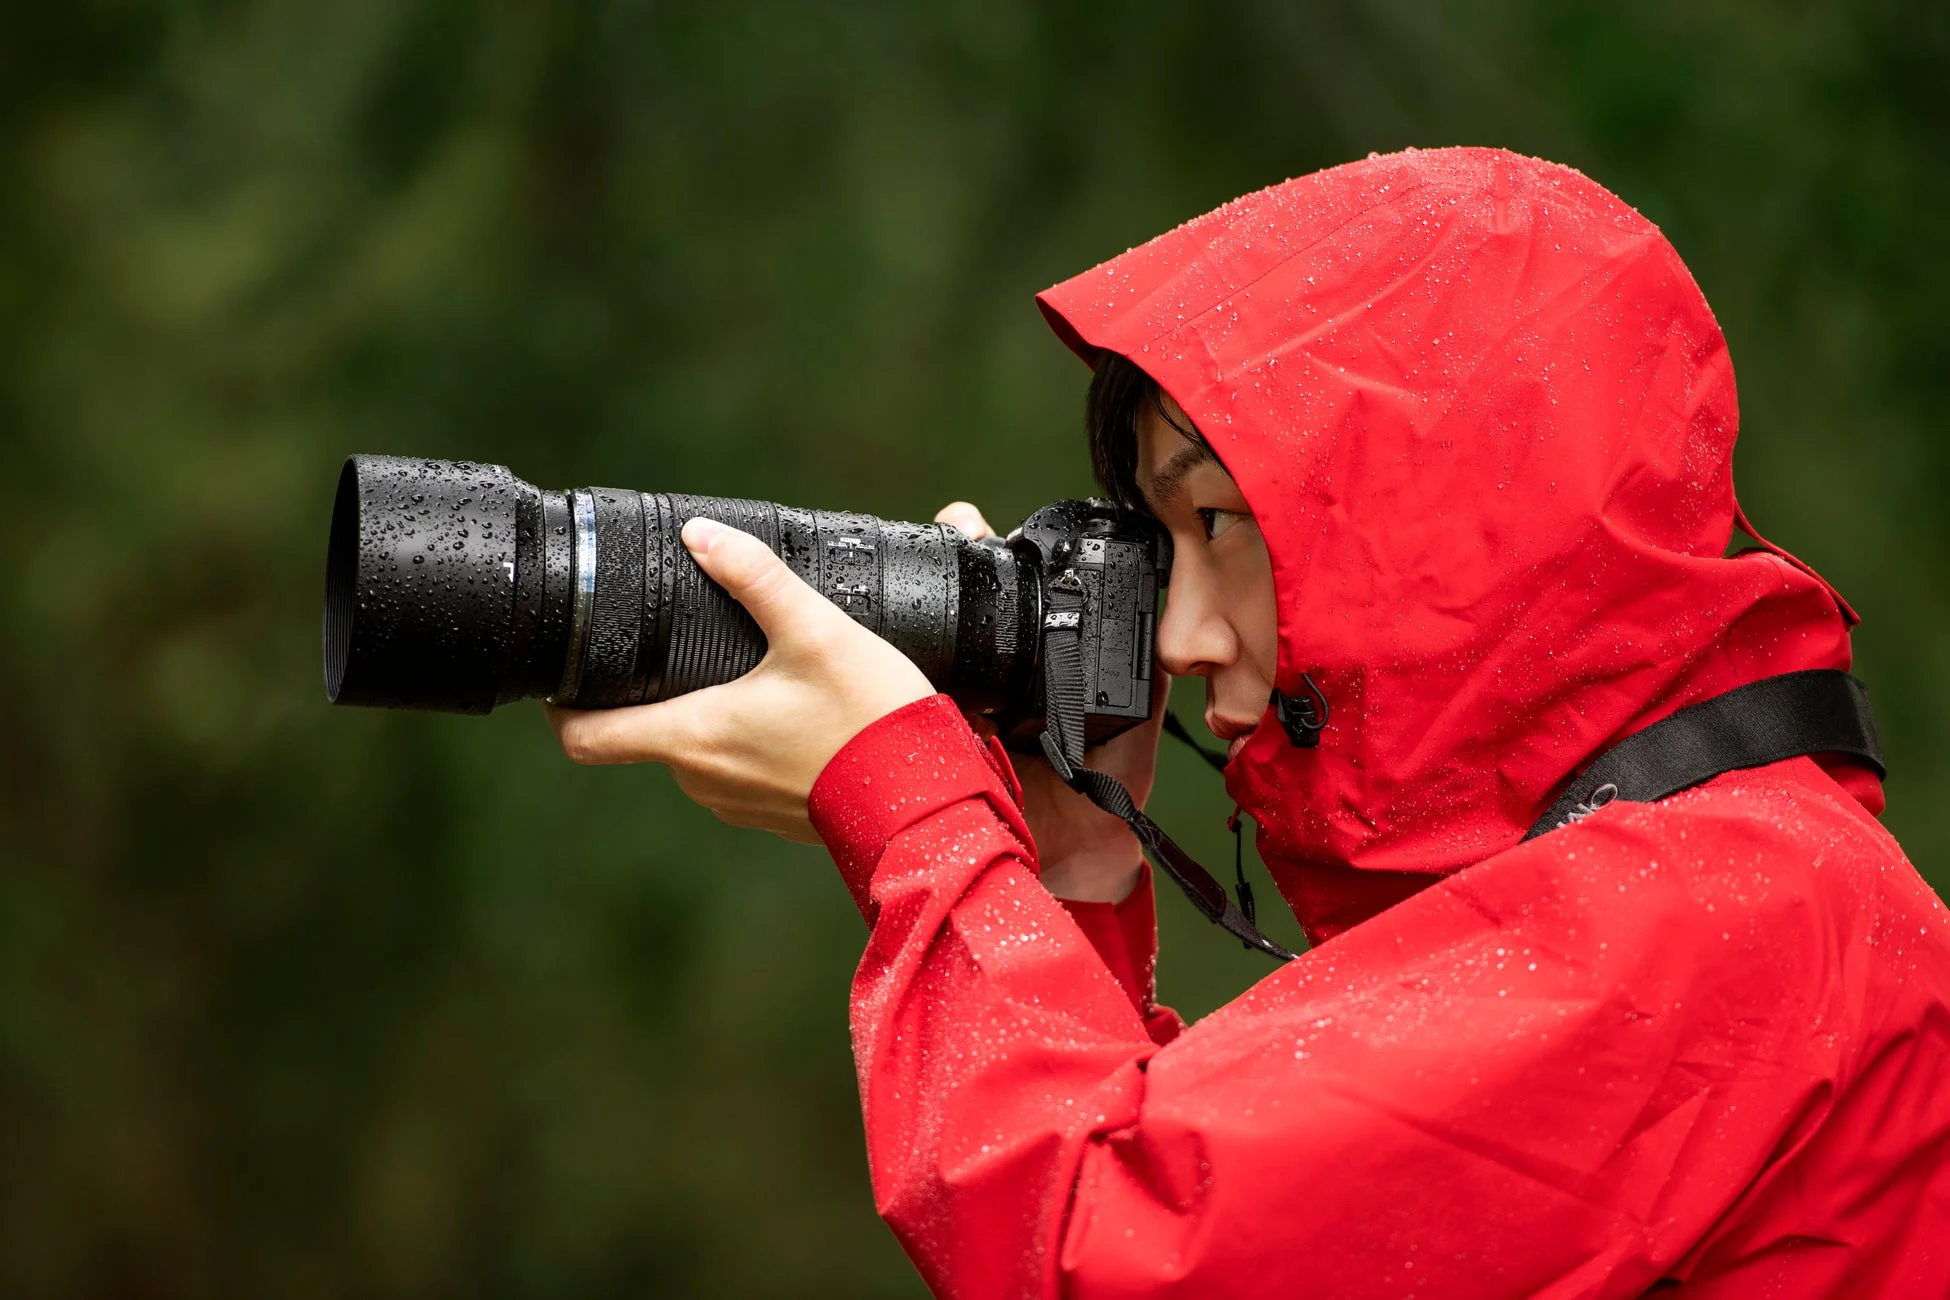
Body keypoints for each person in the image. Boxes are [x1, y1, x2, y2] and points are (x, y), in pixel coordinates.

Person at [549, 148, 1950, 1297]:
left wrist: (909, 806)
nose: (1177, 634)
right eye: (1165, 541)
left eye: (1221, 523)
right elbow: (1251, 1223)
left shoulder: (1723, 909)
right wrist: (1072, 871)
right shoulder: (1729, 886)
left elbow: (1113, 1254)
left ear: (1458, 532)